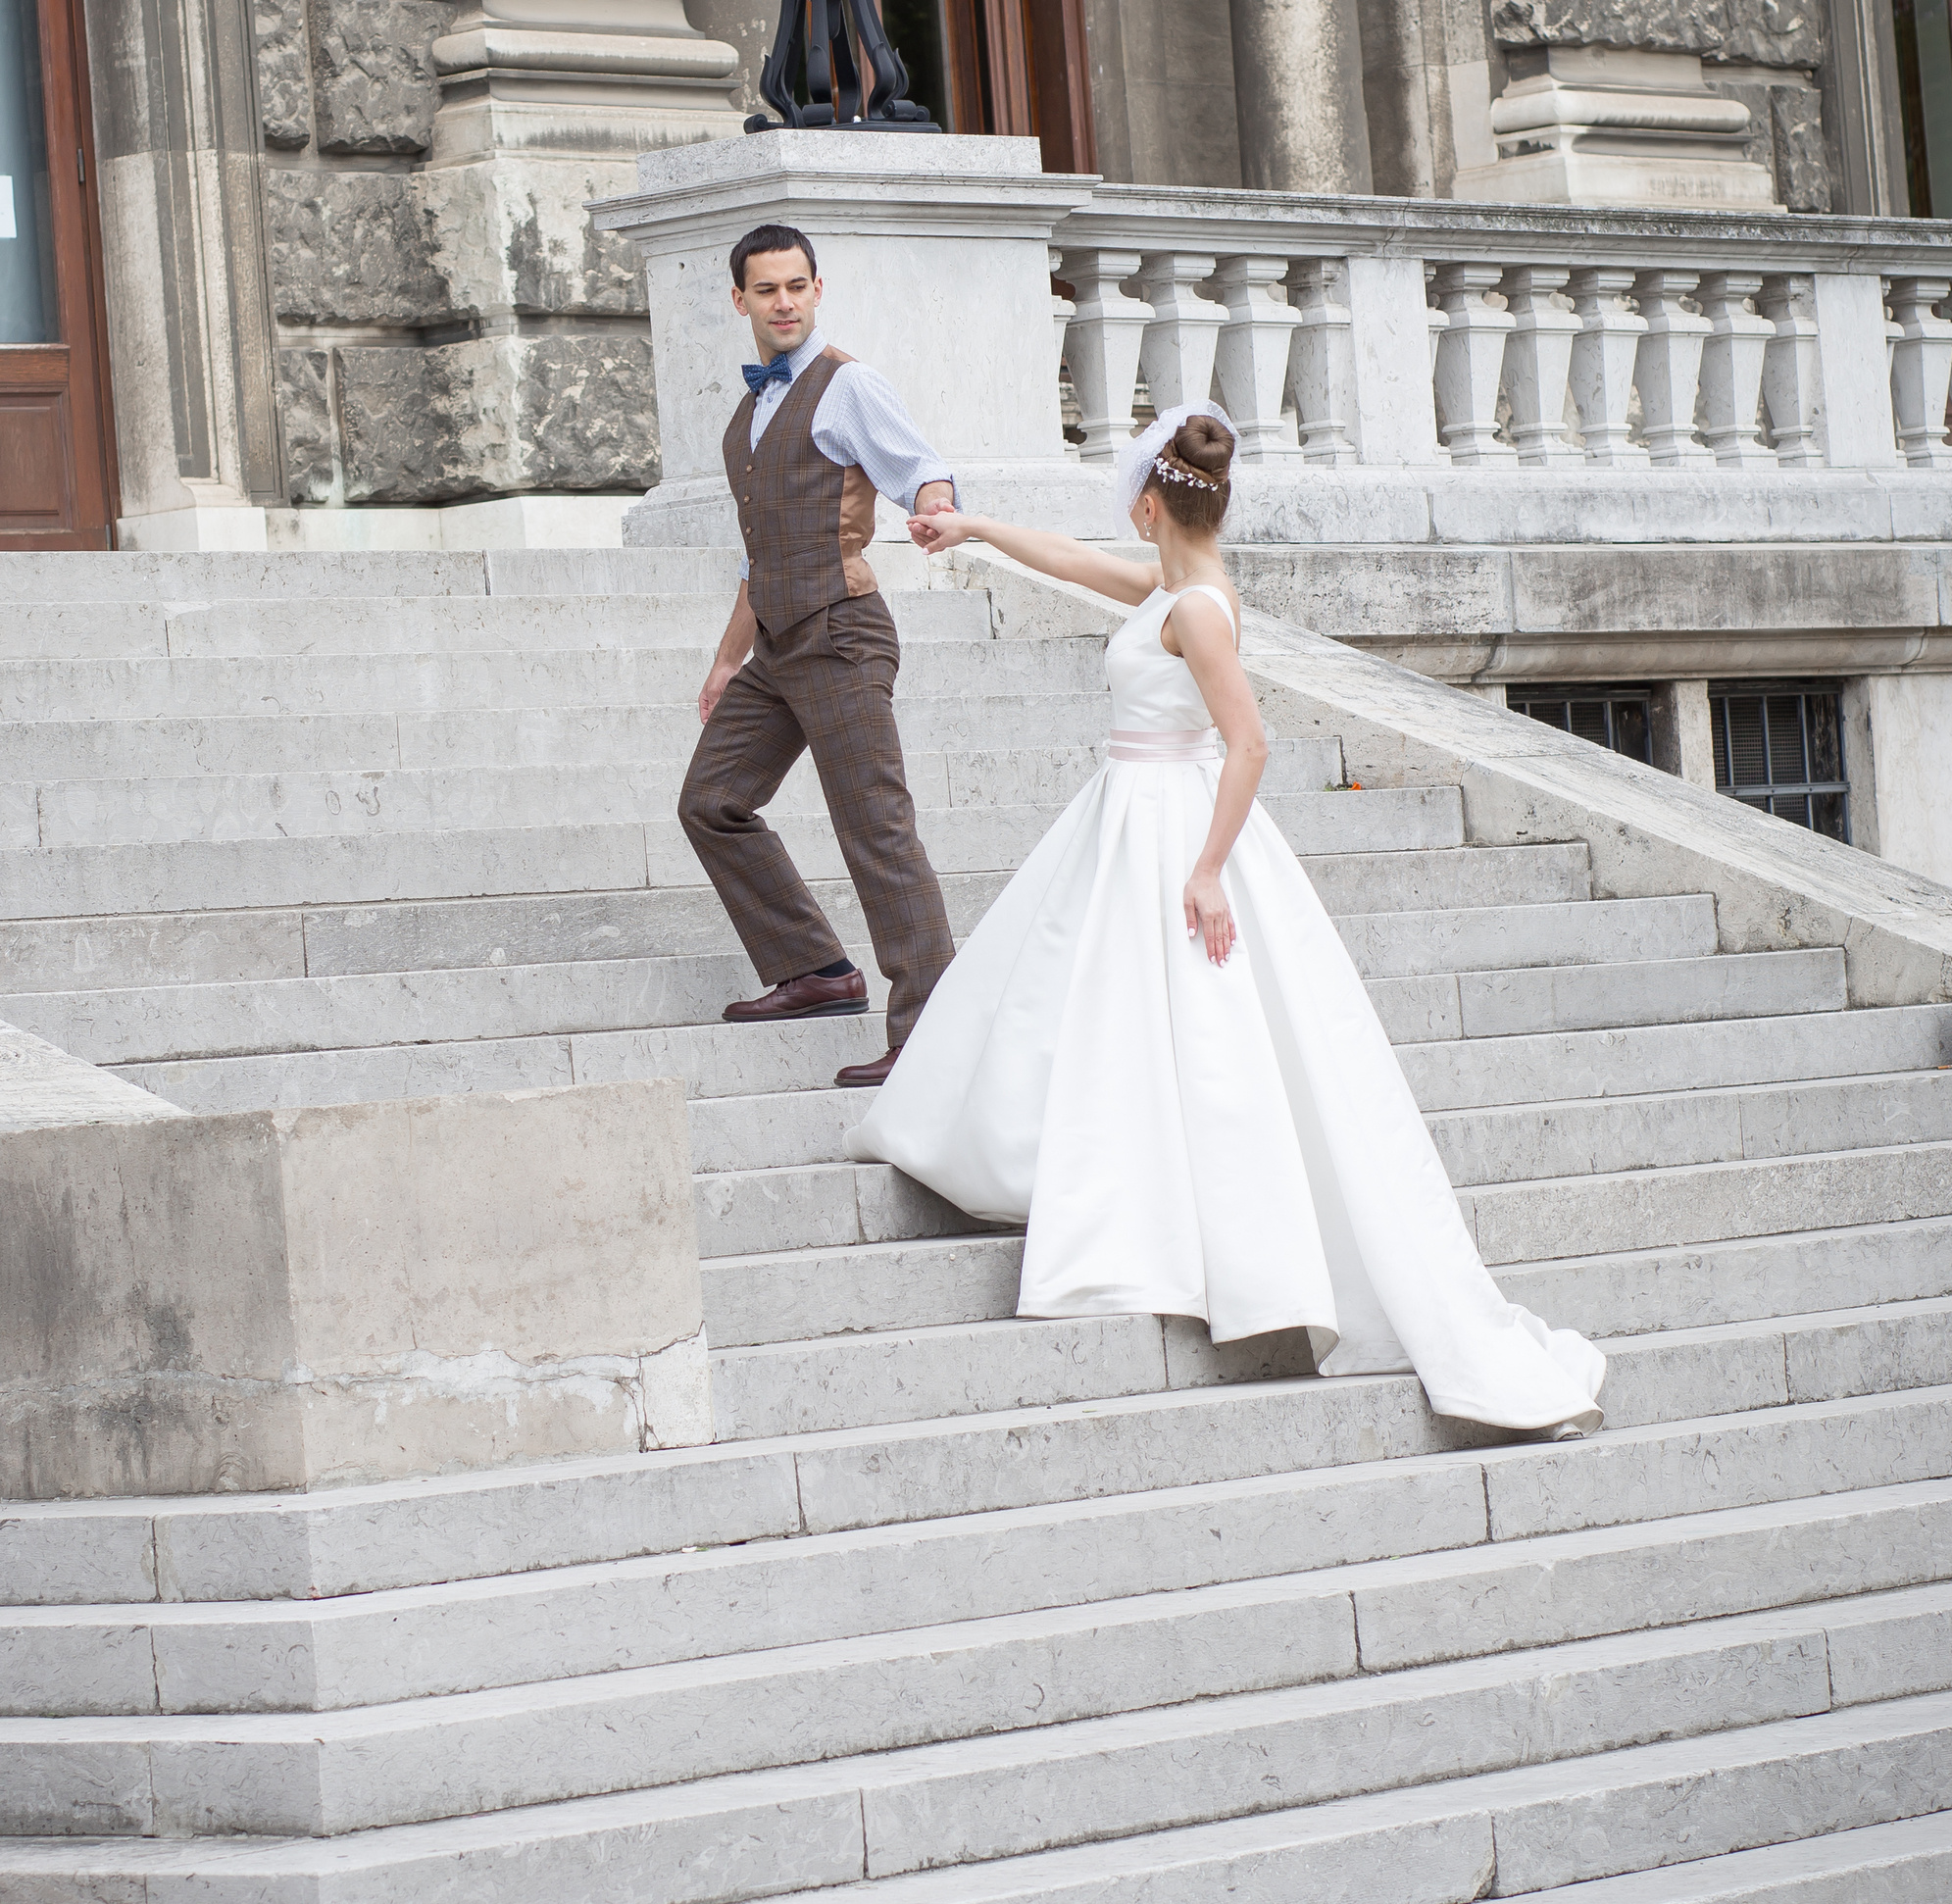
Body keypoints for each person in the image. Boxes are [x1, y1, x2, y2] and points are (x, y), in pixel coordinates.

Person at [853, 401, 1607, 1437]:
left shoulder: (1198, 609)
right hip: (1123, 815)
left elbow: (1247, 744)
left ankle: (1187, 1235)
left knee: (1198, 1038)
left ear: (1154, 504)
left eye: (1131, 500)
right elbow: (1073, 564)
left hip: (1174, 824)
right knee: (1092, 1011)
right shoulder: (1175, 582)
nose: (1123, 516)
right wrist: (974, 528)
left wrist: (1207, 869)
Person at [678, 225, 963, 1090]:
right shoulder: (752, 412)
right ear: (741, 301)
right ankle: (814, 970)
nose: (785, 302)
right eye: (767, 290)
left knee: (874, 826)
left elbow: (922, 469)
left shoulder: (849, 386)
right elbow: (756, 556)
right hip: (775, 639)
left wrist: (938, 508)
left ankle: (932, 1029)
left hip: (841, 629)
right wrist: (728, 661)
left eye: (797, 286)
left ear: (816, 287)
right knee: (712, 801)